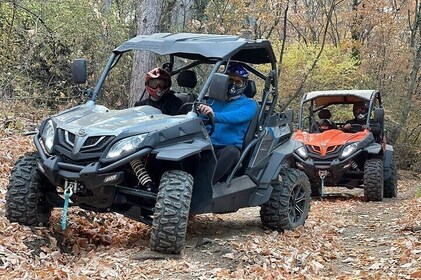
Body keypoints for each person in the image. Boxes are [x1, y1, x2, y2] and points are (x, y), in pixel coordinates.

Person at [198, 63, 258, 184]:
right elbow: (199, 119)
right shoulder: (213, 101)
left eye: (238, 82)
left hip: (226, 148)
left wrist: (214, 115)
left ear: (244, 84)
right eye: (230, 80)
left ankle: (205, 185)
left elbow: (237, 117)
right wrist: (200, 111)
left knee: (232, 152)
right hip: (206, 144)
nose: (233, 84)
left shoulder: (249, 104)